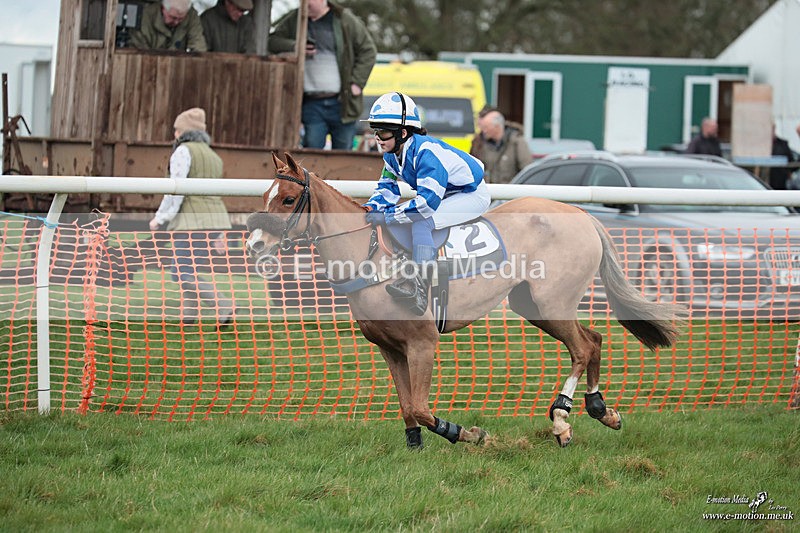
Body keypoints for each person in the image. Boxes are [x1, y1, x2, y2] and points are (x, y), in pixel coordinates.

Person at [362, 93, 491, 316]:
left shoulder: (426, 154)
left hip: (471, 194)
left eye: (383, 132)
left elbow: (425, 205)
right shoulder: (391, 156)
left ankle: (418, 287)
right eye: (376, 131)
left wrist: (388, 216)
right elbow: (386, 189)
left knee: (422, 223)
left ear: (403, 133)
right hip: (447, 193)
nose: (378, 139)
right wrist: (371, 208)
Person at [149, 108, 234, 326]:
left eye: (176, 130)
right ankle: (187, 318)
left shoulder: (183, 151)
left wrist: (160, 217)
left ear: (183, 132)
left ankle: (223, 305)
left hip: (191, 220)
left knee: (180, 273)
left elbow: (176, 189)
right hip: (213, 219)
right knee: (191, 270)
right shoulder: (213, 155)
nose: (174, 135)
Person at [269, 0, 376, 150]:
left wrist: (357, 83)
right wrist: (295, 46)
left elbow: (368, 51)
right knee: (312, 151)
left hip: (342, 102)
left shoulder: (344, 19)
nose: (304, 4)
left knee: (343, 152)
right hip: (312, 102)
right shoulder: (296, 18)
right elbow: (272, 41)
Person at [470, 107, 532, 184]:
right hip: (489, 191)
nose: (483, 131)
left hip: (512, 193)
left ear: (497, 126)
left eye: (486, 127)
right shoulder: (478, 143)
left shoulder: (517, 142)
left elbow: (527, 171)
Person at [130, 0, 208, 52]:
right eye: (173, 17)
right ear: (163, 8)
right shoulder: (145, 17)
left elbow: (199, 46)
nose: (176, 22)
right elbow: (140, 50)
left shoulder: (191, 16)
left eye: (181, 19)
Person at [769, 125, 798, 190]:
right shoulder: (758, 146)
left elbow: (792, 164)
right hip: (764, 184)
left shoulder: (782, 144)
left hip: (781, 183)